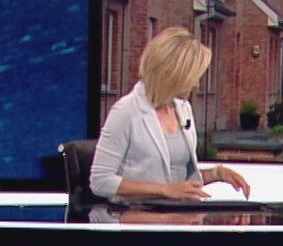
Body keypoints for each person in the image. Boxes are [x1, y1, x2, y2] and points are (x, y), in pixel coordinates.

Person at [89, 27, 252, 202]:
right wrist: (164, 190)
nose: (196, 84)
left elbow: (178, 183)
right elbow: (100, 181)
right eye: (192, 77)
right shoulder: (126, 111)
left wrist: (216, 174)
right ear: (173, 74)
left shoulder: (183, 109)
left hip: (177, 212)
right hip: (134, 213)